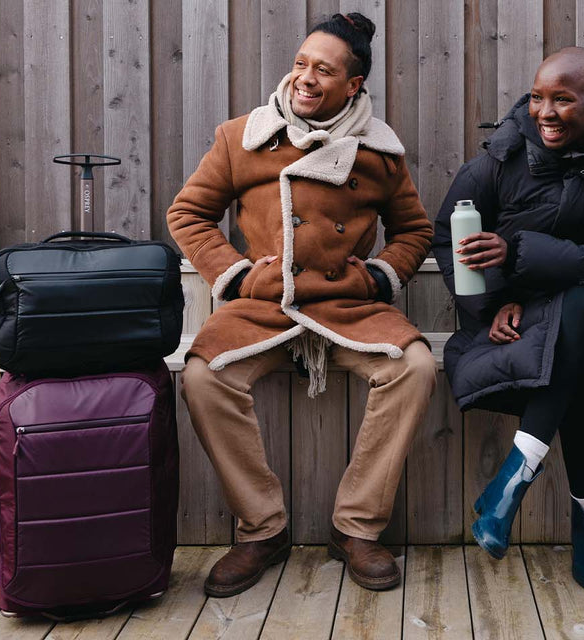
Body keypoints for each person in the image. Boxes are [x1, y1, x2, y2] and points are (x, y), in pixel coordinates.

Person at [165, 12, 435, 595]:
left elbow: (415, 231)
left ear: (353, 84)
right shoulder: (243, 136)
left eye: (323, 70)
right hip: (267, 302)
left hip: (347, 303)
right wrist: (238, 277)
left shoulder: (380, 152)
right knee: (204, 377)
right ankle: (262, 529)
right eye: (300, 63)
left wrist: (380, 277)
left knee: (414, 367)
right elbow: (187, 214)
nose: (305, 78)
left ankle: (357, 527)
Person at [437, 47, 584, 593]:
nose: (545, 112)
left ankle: (513, 480)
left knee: (581, 315)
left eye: (563, 99)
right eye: (537, 97)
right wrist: (491, 303)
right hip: (512, 312)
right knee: (576, 352)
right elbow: (450, 236)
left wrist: (518, 251)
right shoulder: (502, 156)